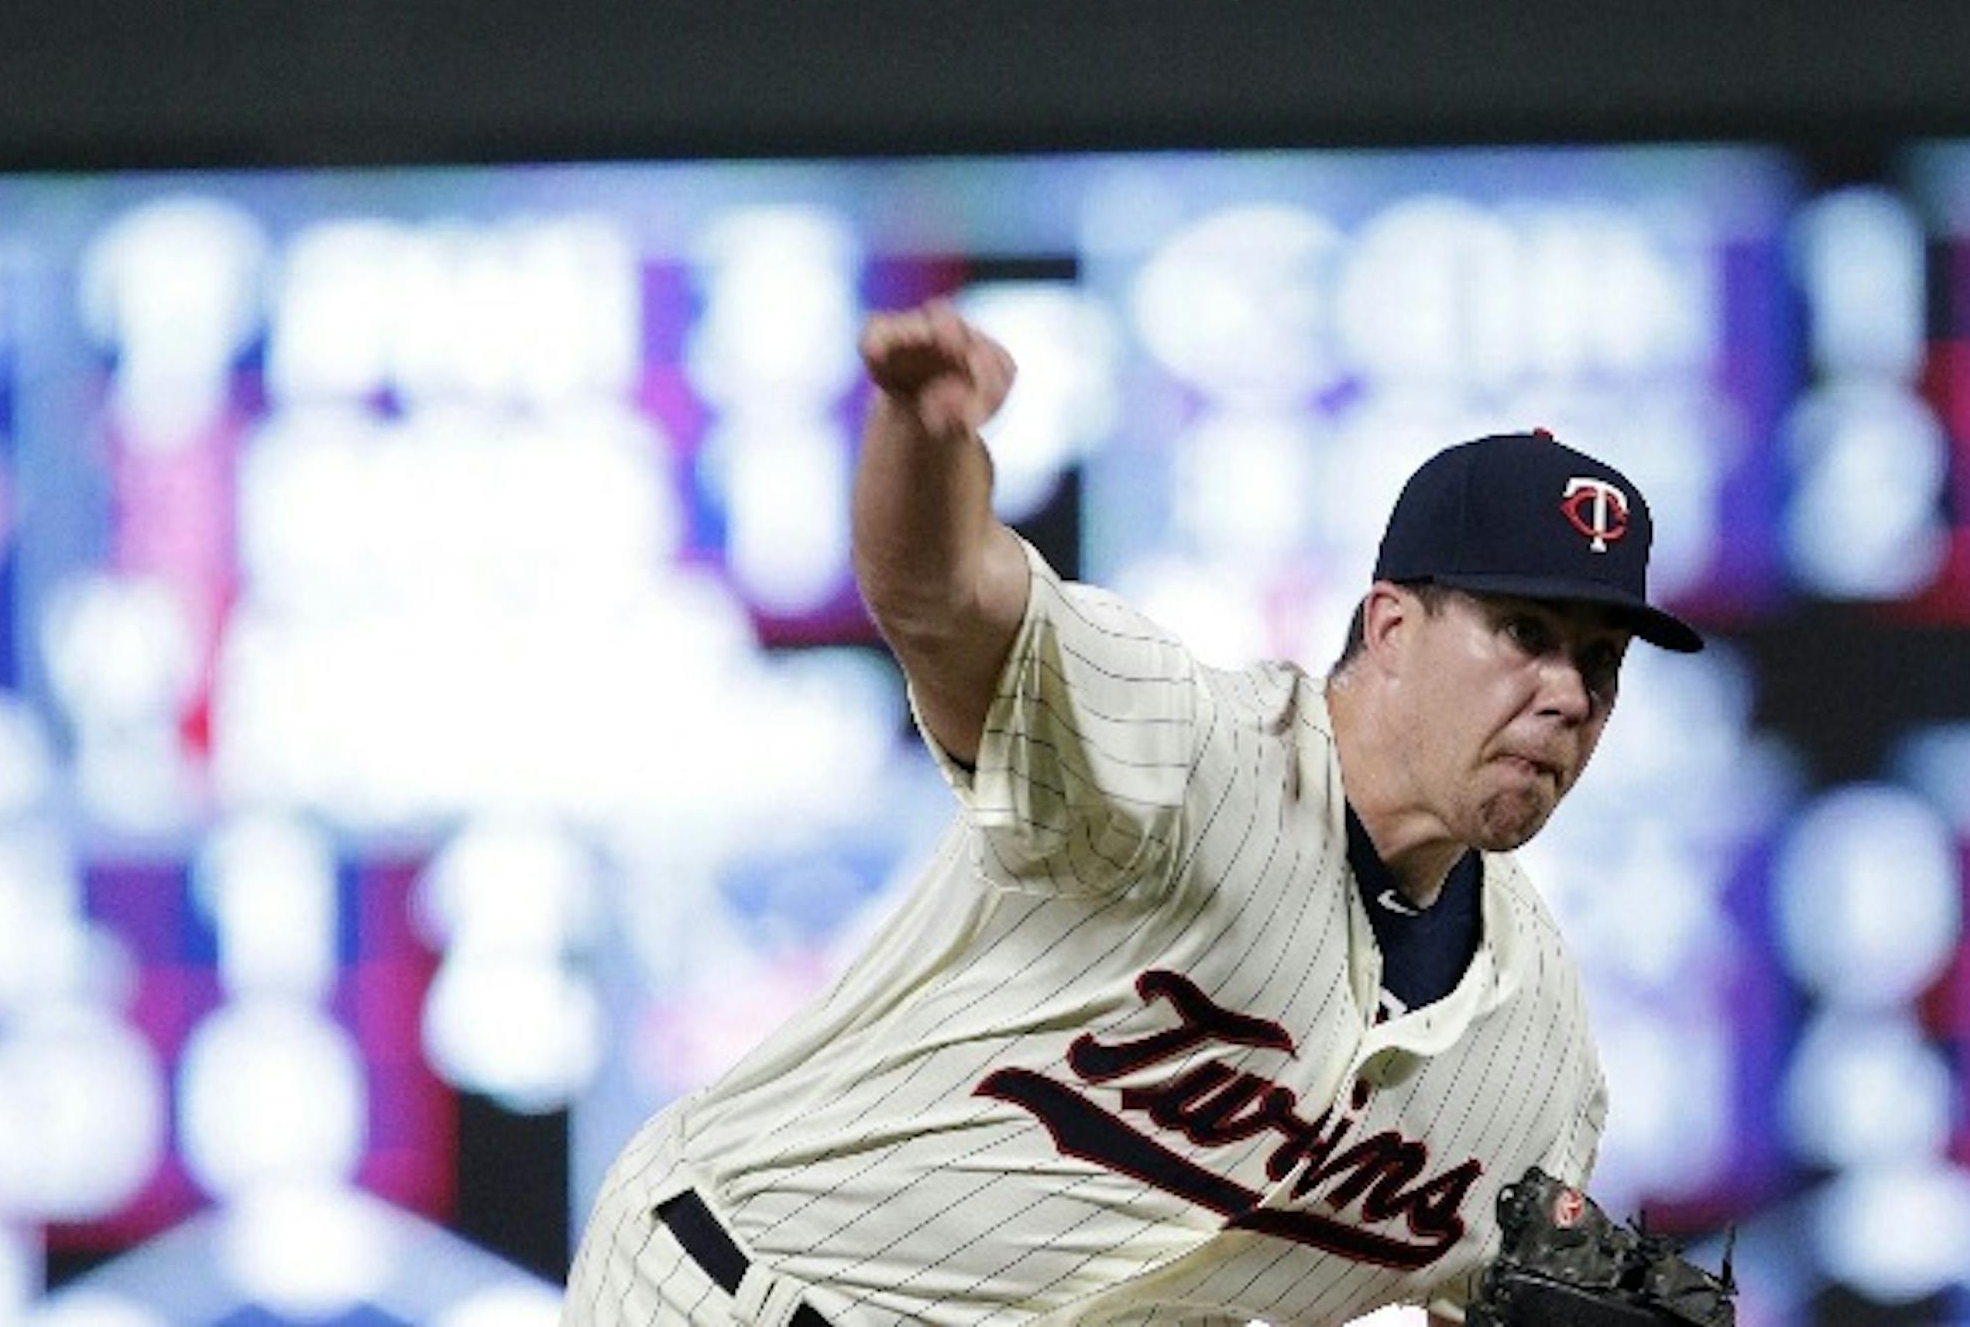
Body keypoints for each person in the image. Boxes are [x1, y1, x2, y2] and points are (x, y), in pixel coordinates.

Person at [565, 298, 1705, 1327]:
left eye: (1600, 662)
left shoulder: (1537, 1055)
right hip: (728, 1289)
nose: (1567, 693)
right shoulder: (1183, 756)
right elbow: (940, 597)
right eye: (1526, 635)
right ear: (1393, 629)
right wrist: (924, 430)